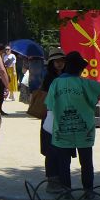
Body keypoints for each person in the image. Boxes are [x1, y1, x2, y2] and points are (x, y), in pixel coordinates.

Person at [46, 51, 100, 198]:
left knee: (63, 164)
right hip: (84, 131)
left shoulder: (56, 83)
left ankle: (66, 193)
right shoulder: (85, 83)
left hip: (62, 130)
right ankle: (88, 191)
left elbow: (49, 107)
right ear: (80, 69)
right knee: (86, 163)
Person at [38, 48, 67, 191]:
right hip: (49, 116)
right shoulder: (49, 77)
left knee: (63, 150)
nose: (59, 63)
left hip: (63, 116)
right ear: (52, 63)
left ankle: (62, 179)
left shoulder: (67, 77)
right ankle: (52, 180)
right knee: (50, 150)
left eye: (61, 61)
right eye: (56, 61)